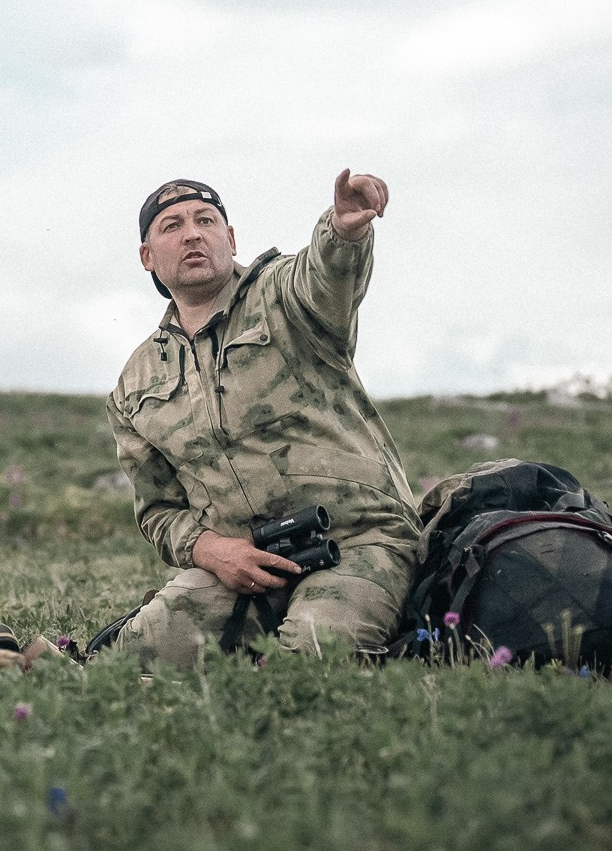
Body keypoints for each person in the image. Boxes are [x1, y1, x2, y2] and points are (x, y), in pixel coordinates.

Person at [104, 173, 422, 669]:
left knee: (313, 658)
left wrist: (343, 230)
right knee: (125, 665)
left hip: (358, 538)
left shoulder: (285, 298)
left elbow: (326, 274)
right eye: (171, 226)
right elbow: (158, 510)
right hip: (243, 564)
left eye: (205, 221)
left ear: (229, 239)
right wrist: (212, 551)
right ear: (148, 256)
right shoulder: (135, 383)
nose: (192, 234)